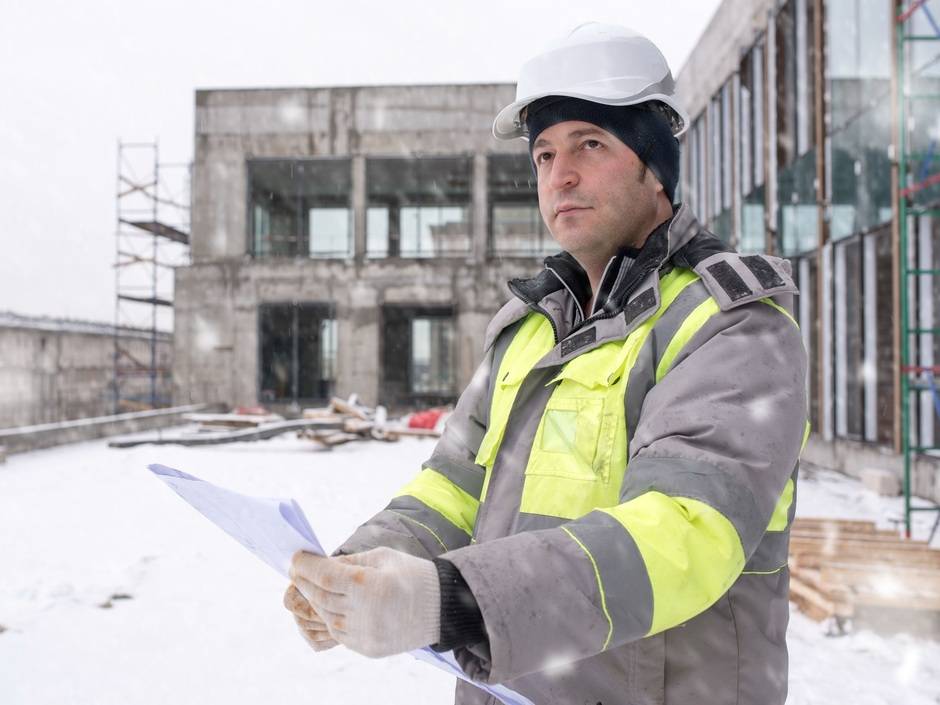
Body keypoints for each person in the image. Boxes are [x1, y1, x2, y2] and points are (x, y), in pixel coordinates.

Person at [284, 22, 807, 705]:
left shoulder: (730, 321)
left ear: (655, 168)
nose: (560, 174)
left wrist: (456, 601)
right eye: (544, 154)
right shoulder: (529, 330)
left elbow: (683, 532)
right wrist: (361, 567)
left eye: (591, 143)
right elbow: (452, 486)